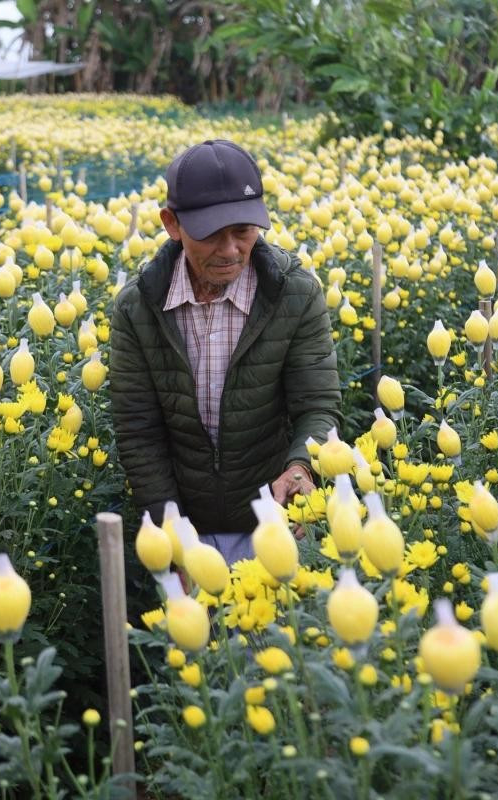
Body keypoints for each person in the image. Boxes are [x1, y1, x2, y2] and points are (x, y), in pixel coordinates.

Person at [109, 139, 342, 565]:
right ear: (171, 224)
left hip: (276, 524)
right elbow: (139, 433)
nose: (231, 250)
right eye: (212, 234)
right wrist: (173, 540)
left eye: (243, 231)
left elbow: (318, 405)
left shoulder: (295, 295)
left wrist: (301, 466)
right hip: (185, 528)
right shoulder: (138, 308)